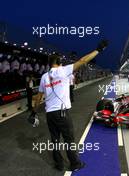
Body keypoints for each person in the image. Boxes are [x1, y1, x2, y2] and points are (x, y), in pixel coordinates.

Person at [32, 40, 108, 171]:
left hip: (49, 114)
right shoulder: (64, 70)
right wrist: (98, 50)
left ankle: (59, 164)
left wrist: (34, 112)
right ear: (59, 62)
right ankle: (74, 163)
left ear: (50, 64)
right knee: (69, 139)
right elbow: (83, 60)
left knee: (55, 140)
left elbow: (38, 97)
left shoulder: (44, 77)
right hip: (62, 113)